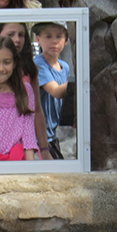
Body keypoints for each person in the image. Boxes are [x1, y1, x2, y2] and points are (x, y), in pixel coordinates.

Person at [0, 23, 53, 160]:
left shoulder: (29, 71)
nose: (17, 40)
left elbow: (36, 111)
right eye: (11, 35)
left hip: (21, 148)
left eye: (21, 35)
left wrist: (44, 149)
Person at [33, 21, 70, 160]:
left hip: (53, 134)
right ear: (38, 39)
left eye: (58, 37)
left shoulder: (65, 67)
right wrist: (82, 79)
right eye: (48, 36)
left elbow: (67, 99)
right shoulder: (38, 64)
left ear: (66, 41)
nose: (54, 41)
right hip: (38, 137)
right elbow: (56, 91)